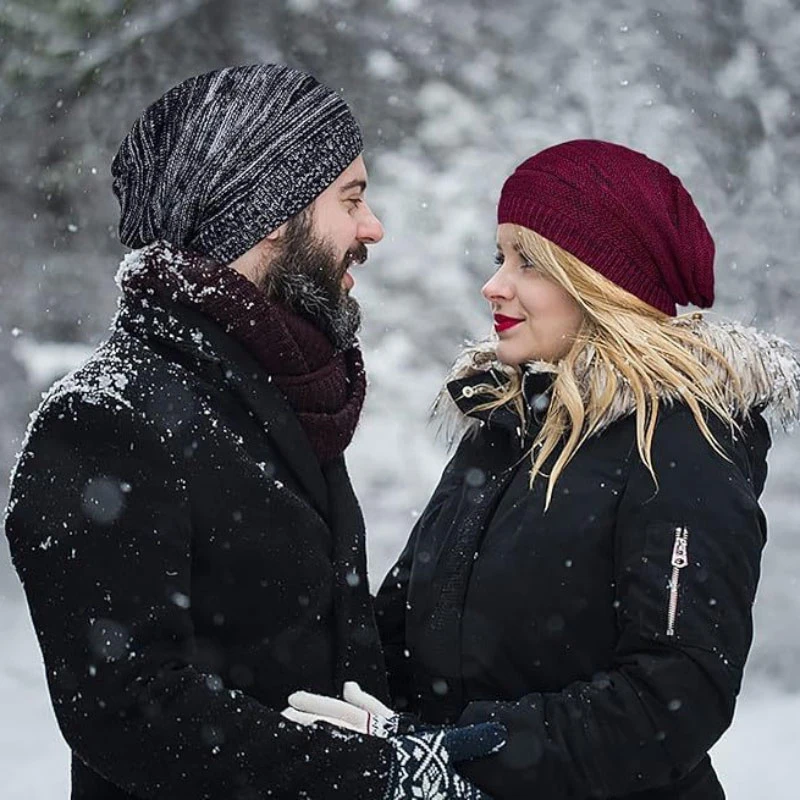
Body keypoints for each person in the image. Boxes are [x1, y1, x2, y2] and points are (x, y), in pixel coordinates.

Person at [4, 64, 502, 800]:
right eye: (352, 198)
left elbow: (321, 650)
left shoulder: (277, 401)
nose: (373, 228)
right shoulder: (106, 418)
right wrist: (378, 777)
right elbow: (131, 712)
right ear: (273, 211)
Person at [284, 140, 800, 799]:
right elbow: (404, 628)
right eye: (500, 256)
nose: (494, 283)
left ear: (601, 282)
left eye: (527, 261)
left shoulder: (679, 444)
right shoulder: (504, 430)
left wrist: (464, 752)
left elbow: (675, 696)